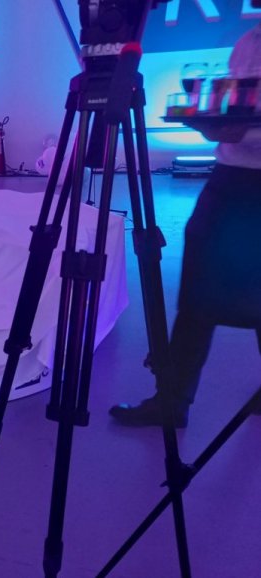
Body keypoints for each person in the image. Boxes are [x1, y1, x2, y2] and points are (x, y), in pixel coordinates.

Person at [110, 12, 261, 428]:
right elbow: (234, 113)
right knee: (196, 289)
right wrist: (214, 126)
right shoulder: (248, 40)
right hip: (230, 175)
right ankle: (172, 401)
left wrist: (233, 129)